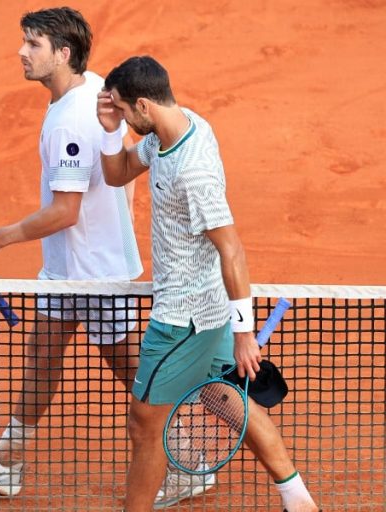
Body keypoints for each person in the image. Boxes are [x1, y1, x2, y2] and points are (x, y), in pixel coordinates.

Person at [0, 8, 210, 506]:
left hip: (93, 276)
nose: (22, 52)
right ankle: (7, 460)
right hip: (70, 268)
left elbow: (65, 211)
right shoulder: (96, 89)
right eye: (24, 41)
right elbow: (117, 170)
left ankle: (187, 461)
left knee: (137, 374)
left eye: (33, 44)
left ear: (63, 53)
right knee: (43, 356)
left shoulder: (69, 120)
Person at [97, 56, 320, 512]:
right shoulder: (174, 128)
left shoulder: (191, 172)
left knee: (145, 422)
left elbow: (232, 249)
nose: (123, 118)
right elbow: (117, 173)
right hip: (208, 309)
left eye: (123, 110)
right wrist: (107, 127)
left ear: (142, 104)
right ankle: (298, 500)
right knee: (226, 398)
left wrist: (243, 333)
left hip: (185, 319)